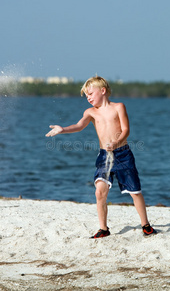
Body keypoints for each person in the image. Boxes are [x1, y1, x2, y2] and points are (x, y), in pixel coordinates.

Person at [46, 76, 157, 238]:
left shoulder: (119, 107)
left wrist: (117, 141)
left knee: (135, 192)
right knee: (100, 192)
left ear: (103, 91)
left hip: (123, 155)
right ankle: (103, 229)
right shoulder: (90, 112)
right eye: (86, 96)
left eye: (90, 93)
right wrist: (63, 129)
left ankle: (145, 225)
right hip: (105, 157)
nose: (88, 98)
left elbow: (126, 130)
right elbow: (78, 126)